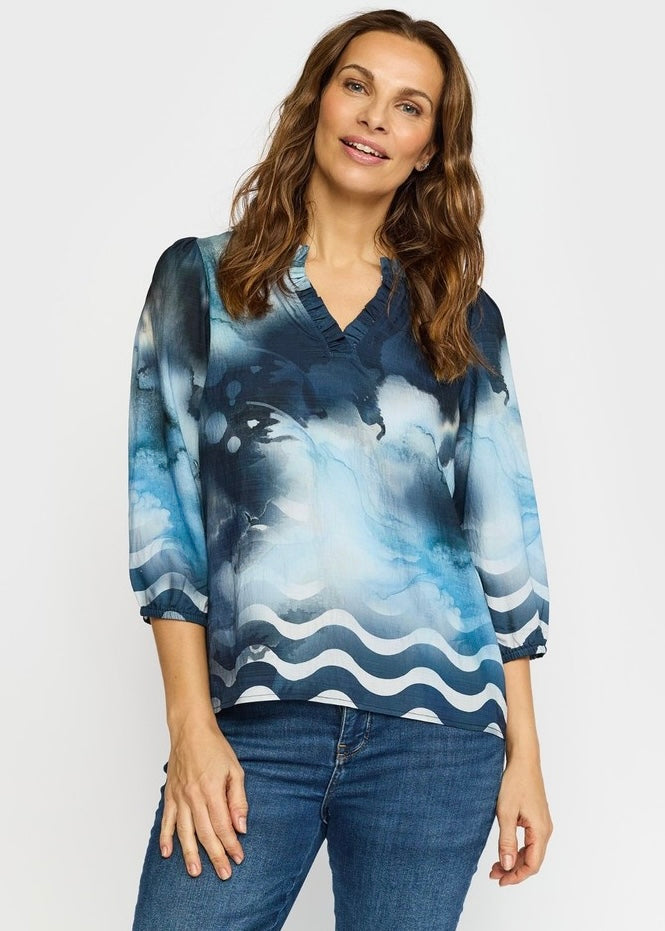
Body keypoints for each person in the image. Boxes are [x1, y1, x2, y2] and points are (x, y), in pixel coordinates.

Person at [127, 9, 554, 930]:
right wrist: (190, 724)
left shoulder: (460, 317)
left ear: (429, 149)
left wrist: (524, 752)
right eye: (356, 86)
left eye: (408, 106)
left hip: (436, 737)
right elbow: (166, 521)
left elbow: (502, 544)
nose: (373, 118)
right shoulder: (201, 282)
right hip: (258, 722)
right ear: (317, 99)